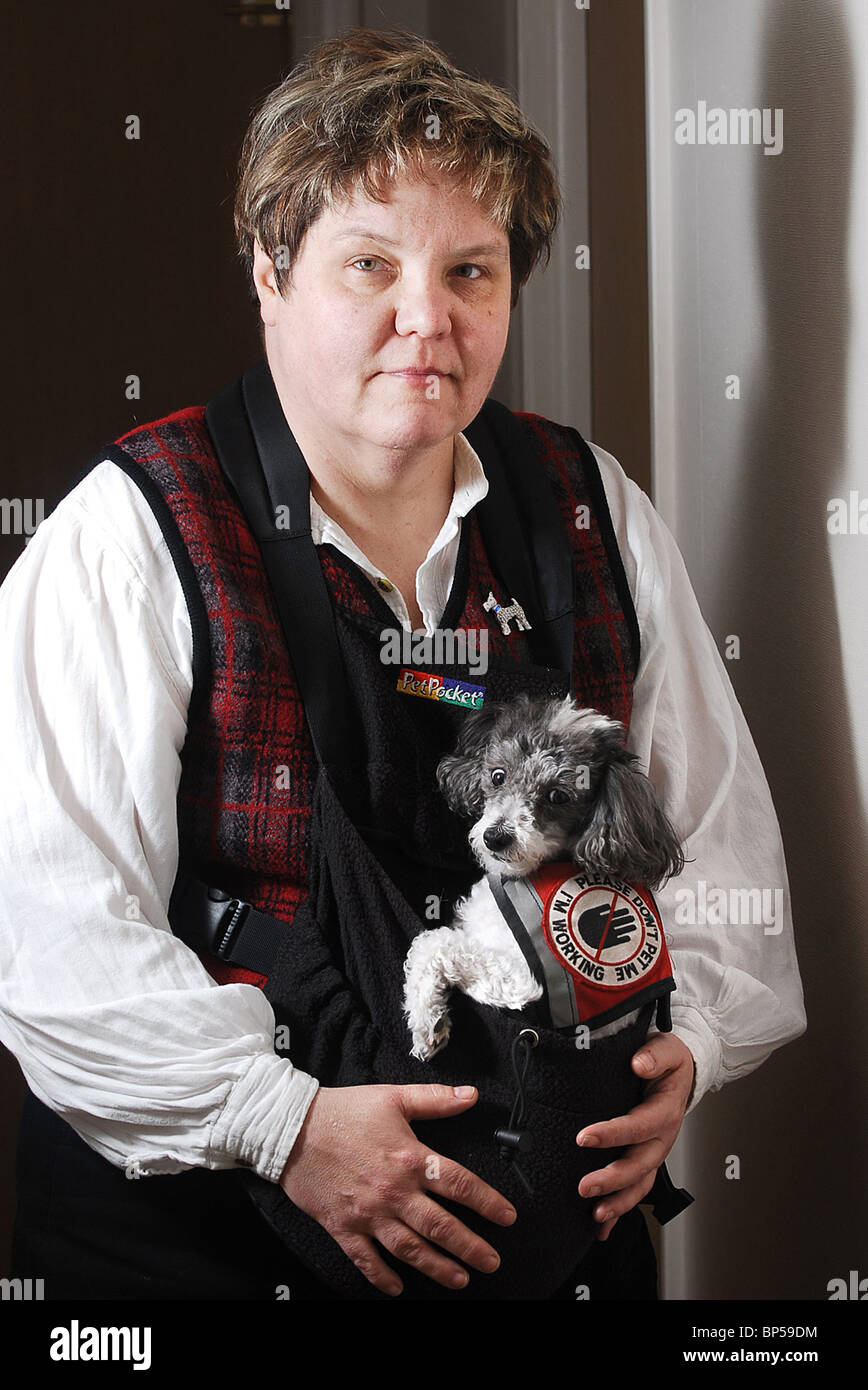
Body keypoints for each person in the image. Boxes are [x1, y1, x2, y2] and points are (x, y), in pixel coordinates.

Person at [0, 28, 805, 1301]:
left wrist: (685, 1052)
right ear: (270, 271)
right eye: (369, 262)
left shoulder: (590, 508)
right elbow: (49, 946)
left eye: (469, 270)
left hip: (549, 1260)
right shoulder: (125, 536)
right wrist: (286, 1128)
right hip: (196, 1262)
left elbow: (723, 855)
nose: (426, 318)